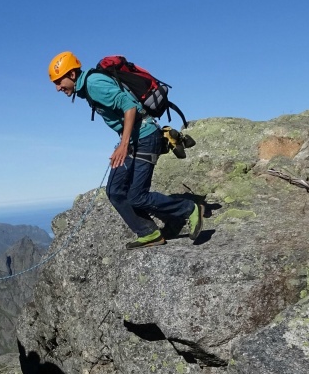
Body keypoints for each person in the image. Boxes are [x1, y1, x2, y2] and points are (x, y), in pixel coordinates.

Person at [48, 51, 203, 248]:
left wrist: (123, 145)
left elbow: (129, 106)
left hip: (144, 137)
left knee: (137, 196)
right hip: (135, 140)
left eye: (59, 81)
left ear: (71, 74)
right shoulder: (89, 86)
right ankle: (148, 233)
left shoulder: (94, 84)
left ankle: (189, 209)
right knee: (115, 191)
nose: (57, 88)